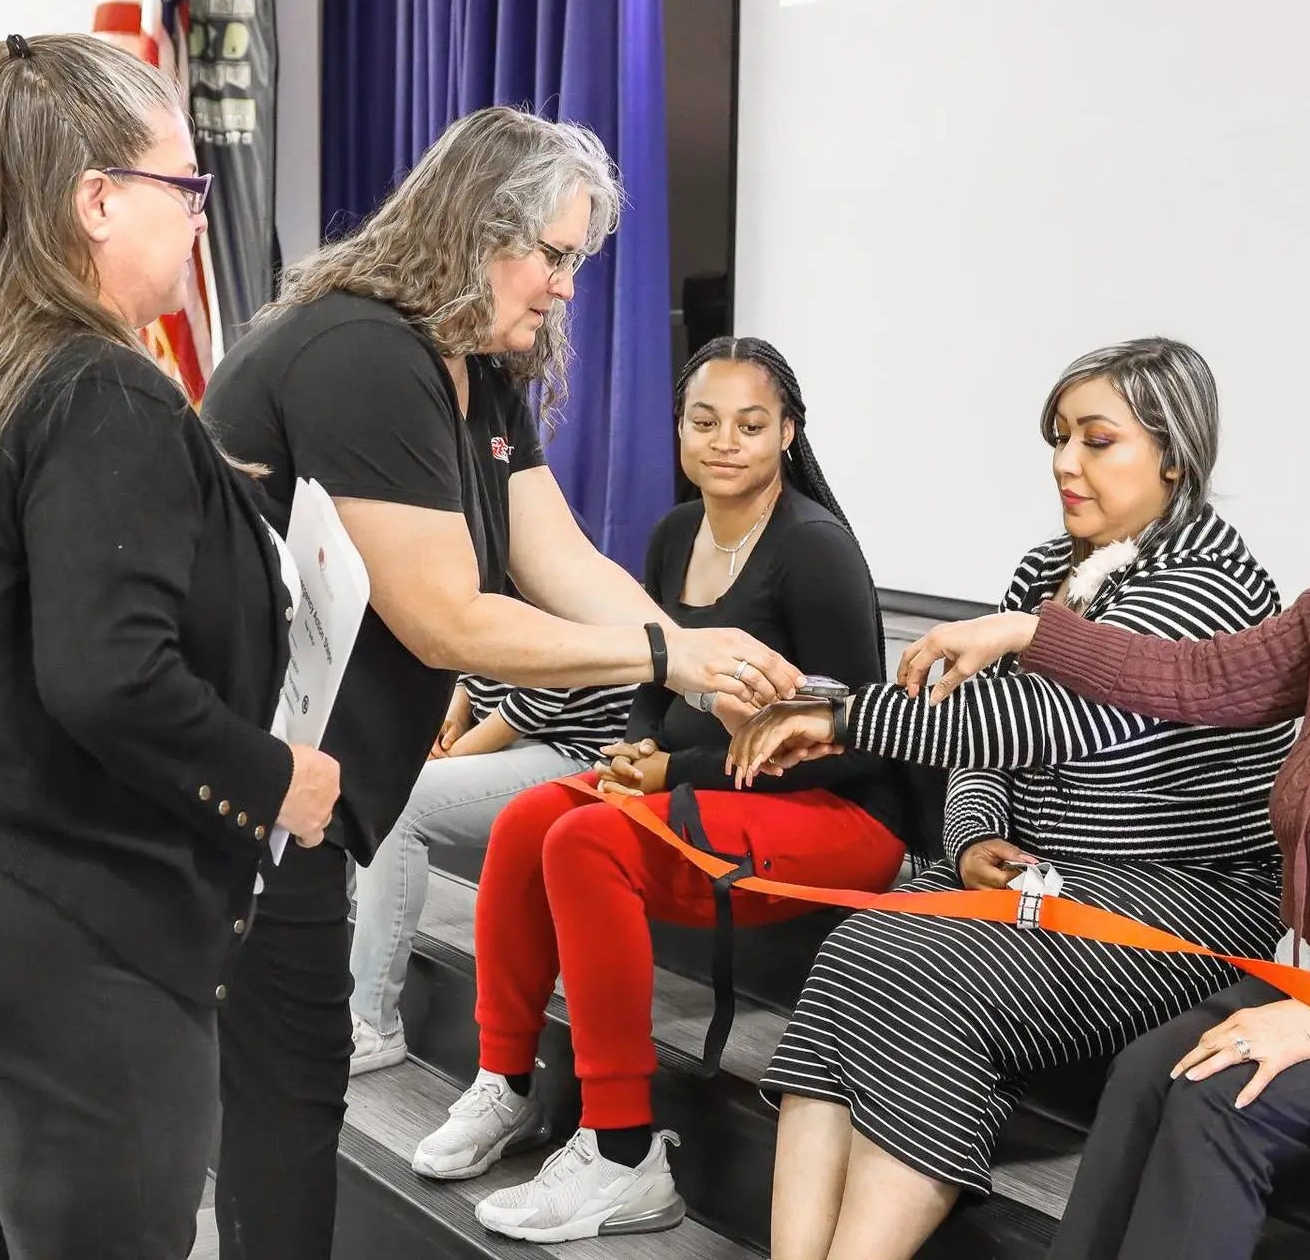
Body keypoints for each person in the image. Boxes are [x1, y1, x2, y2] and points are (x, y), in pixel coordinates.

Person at [769, 396, 1310, 1259]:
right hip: (1306, 980)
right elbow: (1193, 682)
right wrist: (1029, 630)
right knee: (1148, 1070)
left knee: (1222, 1094)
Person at [198, 108, 799, 1258]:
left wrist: (705, 657)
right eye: (555, 255)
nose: (568, 288)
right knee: (276, 1105)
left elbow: (556, 554)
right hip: (248, 797)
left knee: (289, 1094)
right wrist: (673, 656)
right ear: (474, 231)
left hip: (303, 799)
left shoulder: (471, 367)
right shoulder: (366, 355)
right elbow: (443, 621)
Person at [0, 34, 340, 1259]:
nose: (201, 217)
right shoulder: (102, 387)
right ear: (98, 198)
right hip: (26, 896)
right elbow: (107, 676)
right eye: (184, 188)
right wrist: (275, 778)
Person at [722, 337, 1299, 1259]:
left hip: (1179, 896)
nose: (1066, 462)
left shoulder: (1208, 584)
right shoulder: (1046, 571)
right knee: (853, 952)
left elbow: (1039, 717)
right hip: (1044, 880)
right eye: (1059, 437)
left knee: (932, 978)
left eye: (1098, 440)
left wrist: (838, 715)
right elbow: (978, 743)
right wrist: (975, 834)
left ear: (1176, 455)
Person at [407, 336, 905, 1243]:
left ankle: (624, 1153)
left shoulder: (815, 549)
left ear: (787, 434)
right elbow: (653, 679)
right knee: (529, 821)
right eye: (703, 421)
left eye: (751, 425)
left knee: (585, 839)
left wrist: (674, 770)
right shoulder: (675, 533)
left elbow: (857, 745)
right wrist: (636, 745)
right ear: (678, 430)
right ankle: (505, 1084)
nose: (725, 442)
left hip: (833, 816)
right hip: (708, 796)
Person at [348, 672, 634, 1073]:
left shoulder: (570, 606)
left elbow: (545, 690)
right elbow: (477, 644)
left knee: (400, 799)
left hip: (578, 750)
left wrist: (457, 751)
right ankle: (323, 985)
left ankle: (373, 1022)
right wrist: (455, 711)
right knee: (357, 767)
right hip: (502, 734)